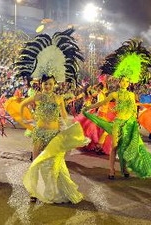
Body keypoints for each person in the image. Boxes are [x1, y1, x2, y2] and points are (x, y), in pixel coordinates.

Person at [14, 28, 89, 204]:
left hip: (55, 134)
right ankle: (33, 192)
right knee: (36, 162)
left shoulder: (58, 97)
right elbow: (22, 105)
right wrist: (27, 120)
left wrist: (69, 127)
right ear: (41, 84)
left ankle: (52, 190)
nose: (47, 86)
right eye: (45, 83)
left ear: (55, 84)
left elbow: (63, 115)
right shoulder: (37, 96)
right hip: (39, 132)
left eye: (50, 84)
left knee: (55, 164)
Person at [83, 39, 151, 179]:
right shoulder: (114, 94)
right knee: (115, 146)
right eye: (122, 80)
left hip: (129, 123)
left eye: (126, 81)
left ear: (129, 82)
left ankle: (124, 169)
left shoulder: (131, 95)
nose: (124, 83)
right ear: (119, 81)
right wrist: (89, 107)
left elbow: (133, 108)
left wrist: (143, 112)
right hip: (118, 123)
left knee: (126, 148)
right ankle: (111, 170)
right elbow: (100, 104)